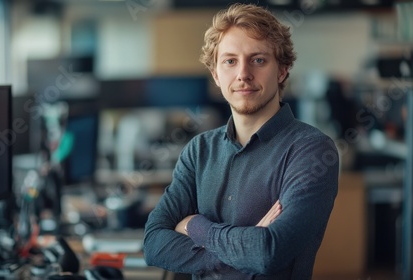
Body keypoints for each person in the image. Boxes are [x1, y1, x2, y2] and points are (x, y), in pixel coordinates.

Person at [143, 3, 339, 280]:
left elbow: (268, 253)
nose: (243, 74)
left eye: (258, 60)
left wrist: (196, 226)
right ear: (216, 74)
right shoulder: (198, 151)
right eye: (230, 61)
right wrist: (244, 251)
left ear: (282, 70)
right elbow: (153, 244)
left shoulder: (312, 151)